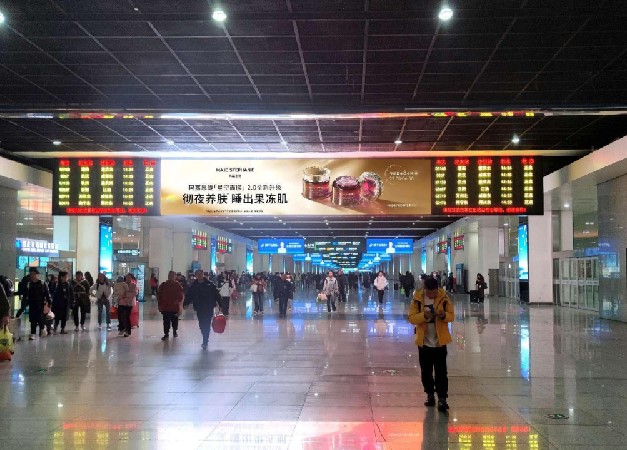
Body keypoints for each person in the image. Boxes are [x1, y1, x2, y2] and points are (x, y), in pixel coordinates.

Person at [408, 277, 455, 412]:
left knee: (441, 371)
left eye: (434, 292)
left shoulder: (444, 298)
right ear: (425, 289)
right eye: (430, 293)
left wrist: (443, 315)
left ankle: (442, 398)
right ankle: (429, 394)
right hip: (424, 342)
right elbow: (412, 318)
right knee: (426, 371)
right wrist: (424, 316)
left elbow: (451, 316)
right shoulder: (417, 299)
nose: (432, 295)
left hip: (440, 341)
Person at [184, 269, 220, 349]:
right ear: (196, 276)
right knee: (201, 324)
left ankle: (205, 341)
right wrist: (186, 303)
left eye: (200, 274)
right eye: (197, 274)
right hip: (199, 307)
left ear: (203, 274)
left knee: (207, 323)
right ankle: (204, 335)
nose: (199, 276)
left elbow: (216, 294)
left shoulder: (210, 284)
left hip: (208, 307)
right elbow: (189, 295)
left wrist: (220, 304)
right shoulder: (194, 285)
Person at [23, 268, 51, 340]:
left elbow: (47, 294)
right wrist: (25, 302)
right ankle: (33, 333)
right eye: (31, 274)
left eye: (34, 274)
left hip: (40, 304)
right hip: (32, 304)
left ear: (37, 274)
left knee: (40, 318)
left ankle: (43, 328)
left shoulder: (42, 283)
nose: (32, 276)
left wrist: (49, 303)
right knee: (33, 319)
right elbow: (26, 294)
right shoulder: (29, 284)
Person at [157, 271, 184, 340]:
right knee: (166, 321)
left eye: (172, 275)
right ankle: (166, 333)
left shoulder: (178, 285)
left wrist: (178, 301)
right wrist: (159, 305)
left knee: (174, 320)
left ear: (175, 276)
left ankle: (175, 331)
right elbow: (159, 295)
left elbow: (181, 295)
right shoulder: (163, 285)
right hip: (165, 307)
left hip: (174, 307)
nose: (171, 277)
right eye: (170, 275)